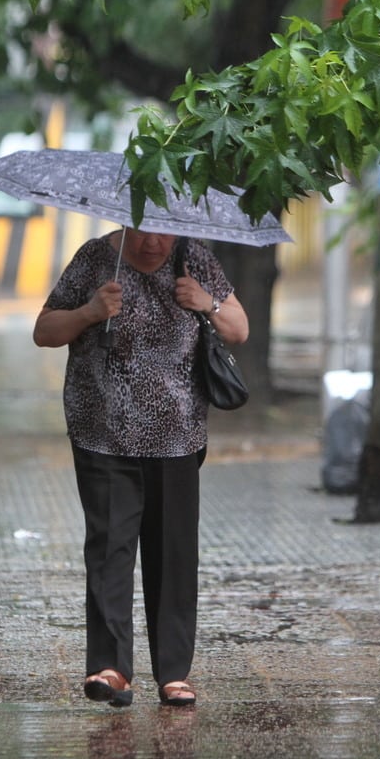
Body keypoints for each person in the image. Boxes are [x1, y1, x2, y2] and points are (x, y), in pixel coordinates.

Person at [33, 228, 249, 707]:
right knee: (109, 550)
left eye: (163, 234)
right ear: (126, 222)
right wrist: (89, 312)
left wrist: (206, 302)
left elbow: (238, 329)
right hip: (103, 434)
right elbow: (44, 332)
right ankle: (110, 668)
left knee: (173, 556)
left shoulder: (195, 258)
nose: (153, 244)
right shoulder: (94, 259)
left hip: (177, 437)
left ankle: (173, 673)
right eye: (143, 234)